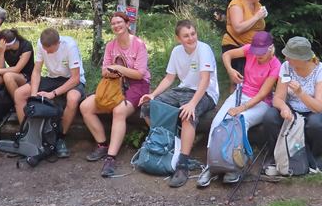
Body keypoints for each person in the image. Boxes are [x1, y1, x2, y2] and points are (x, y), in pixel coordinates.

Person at [140, 19, 220, 188]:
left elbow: (205, 80)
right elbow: (169, 78)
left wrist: (192, 104)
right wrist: (153, 95)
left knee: (187, 114)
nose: (191, 38)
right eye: (186, 36)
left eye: (193, 34)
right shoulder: (176, 51)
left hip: (205, 93)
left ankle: (182, 164)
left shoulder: (204, 49)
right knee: (148, 108)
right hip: (183, 89)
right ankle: (168, 145)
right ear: (178, 38)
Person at [198, 30, 280, 187]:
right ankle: (211, 165)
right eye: (256, 51)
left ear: (271, 48)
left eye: (262, 52)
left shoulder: (276, 65)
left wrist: (241, 108)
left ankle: (234, 165)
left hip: (261, 102)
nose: (257, 55)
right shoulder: (249, 50)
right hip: (241, 93)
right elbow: (226, 55)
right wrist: (230, 71)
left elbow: (263, 94)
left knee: (240, 121)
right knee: (217, 121)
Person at [79, 11, 151, 178]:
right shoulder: (110, 45)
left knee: (119, 111)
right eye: (113, 23)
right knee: (85, 106)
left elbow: (139, 74)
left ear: (127, 24)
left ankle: (111, 158)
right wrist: (114, 72)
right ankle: (102, 145)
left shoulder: (138, 44)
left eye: (120, 22)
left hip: (138, 85)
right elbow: (104, 71)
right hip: (114, 83)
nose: (116, 26)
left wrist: (118, 68)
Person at [264, 36, 322, 175]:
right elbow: (277, 98)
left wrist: (300, 93)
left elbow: (319, 107)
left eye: (290, 56)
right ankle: (275, 154)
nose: (286, 58)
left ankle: (313, 157)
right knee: (270, 117)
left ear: (302, 59)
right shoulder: (286, 67)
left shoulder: (320, 70)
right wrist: (284, 108)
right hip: (293, 108)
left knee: (315, 124)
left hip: (316, 110)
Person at [13, 27, 86, 158]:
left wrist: (53, 93)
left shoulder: (70, 46)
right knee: (19, 94)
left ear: (58, 43)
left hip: (71, 79)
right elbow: (36, 71)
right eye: (45, 49)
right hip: (53, 78)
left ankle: (60, 138)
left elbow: (75, 78)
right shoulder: (41, 43)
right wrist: (33, 95)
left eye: (50, 50)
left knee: (73, 98)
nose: (46, 52)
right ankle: (27, 134)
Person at [221, 0, 267, 76]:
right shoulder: (236, 5)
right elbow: (238, 28)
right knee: (239, 79)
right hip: (236, 46)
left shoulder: (258, 5)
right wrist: (256, 17)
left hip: (253, 49)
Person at [0, 28, 34, 102]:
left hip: (26, 75)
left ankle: (18, 103)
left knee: (8, 76)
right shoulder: (1, 48)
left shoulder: (26, 46)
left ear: (8, 46)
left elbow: (17, 69)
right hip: (11, 72)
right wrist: (1, 52)